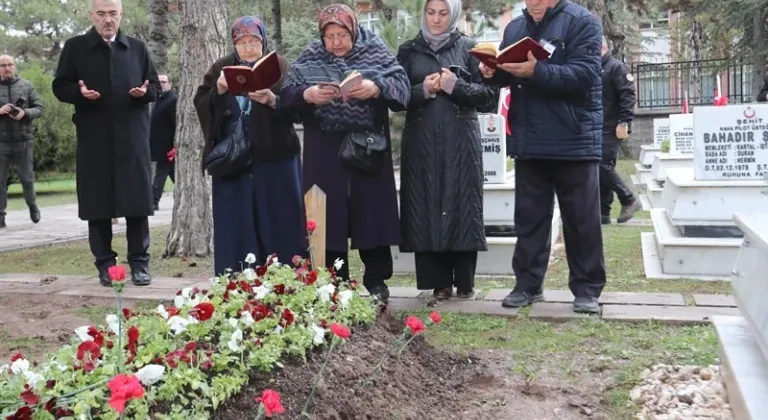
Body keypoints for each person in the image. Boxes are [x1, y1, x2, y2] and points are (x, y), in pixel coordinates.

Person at [479, 0, 606, 313]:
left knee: (581, 219)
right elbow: (509, 77)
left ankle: (587, 289)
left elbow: (586, 75)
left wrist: (538, 71)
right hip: (530, 138)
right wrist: (490, 72)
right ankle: (527, 285)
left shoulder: (581, 22)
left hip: (573, 137)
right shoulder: (515, 28)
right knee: (529, 218)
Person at [280, 3, 411, 303]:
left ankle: (377, 282)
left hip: (367, 146)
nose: (336, 42)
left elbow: (402, 87)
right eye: (330, 36)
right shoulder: (311, 55)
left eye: (342, 34)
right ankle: (331, 283)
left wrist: (375, 88)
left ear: (353, 30)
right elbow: (285, 98)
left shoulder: (374, 50)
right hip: (323, 149)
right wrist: (307, 94)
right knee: (326, 214)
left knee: (371, 212)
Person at [52, 0, 160, 287]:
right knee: (97, 202)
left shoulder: (136, 47)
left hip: (133, 137)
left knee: (137, 202)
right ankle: (106, 264)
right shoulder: (76, 47)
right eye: (101, 14)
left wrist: (142, 93)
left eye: (113, 13)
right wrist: (78, 91)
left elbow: (156, 86)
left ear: (121, 15)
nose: (108, 19)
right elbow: (59, 86)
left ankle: (140, 264)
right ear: (91, 16)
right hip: (94, 138)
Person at [396, 0, 497, 300]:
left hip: (460, 140)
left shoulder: (469, 47)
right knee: (425, 203)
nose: (436, 19)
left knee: (461, 203)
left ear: (453, 14)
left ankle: (465, 281)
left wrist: (456, 86)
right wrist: (422, 90)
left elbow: (489, 97)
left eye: (443, 13)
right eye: (430, 12)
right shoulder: (408, 50)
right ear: (423, 14)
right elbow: (395, 97)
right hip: (421, 140)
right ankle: (437, 283)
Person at [195, 16, 306, 275]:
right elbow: (201, 102)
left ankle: (284, 277)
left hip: (276, 158)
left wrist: (273, 101)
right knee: (236, 223)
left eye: (253, 40)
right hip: (233, 162)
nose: (248, 47)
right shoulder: (221, 67)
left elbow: (299, 108)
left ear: (263, 40)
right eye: (241, 42)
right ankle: (236, 281)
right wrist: (219, 91)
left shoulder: (279, 65)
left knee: (280, 221)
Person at [600, 37, 640, 225]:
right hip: (599, 125)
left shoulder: (616, 67)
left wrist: (624, 121)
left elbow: (628, 95)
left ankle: (629, 199)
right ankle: (603, 212)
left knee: (601, 165)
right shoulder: (596, 68)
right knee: (603, 167)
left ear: (602, 47)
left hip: (613, 126)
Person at [0, 55, 44, 228]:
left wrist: (24, 113)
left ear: (15, 66)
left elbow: (39, 108)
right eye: (3, 65)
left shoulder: (26, 85)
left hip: (23, 140)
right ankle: (1, 215)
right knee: (0, 181)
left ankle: (32, 206)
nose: (7, 68)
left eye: (10, 64)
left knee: (26, 179)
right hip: (1, 141)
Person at [150, 74, 177, 211]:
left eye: (164, 82)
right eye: (158, 82)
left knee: (161, 172)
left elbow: (176, 124)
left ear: (170, 83)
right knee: (173, 173)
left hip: (168, 146)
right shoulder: (159, 99)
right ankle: (181, 196)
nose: (161, 84)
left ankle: (153, 201)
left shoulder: (172, 99)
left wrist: (174, 145)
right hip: (160, 144)